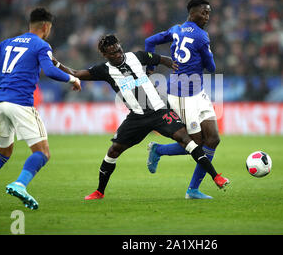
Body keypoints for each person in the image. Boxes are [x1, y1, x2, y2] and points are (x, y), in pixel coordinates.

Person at [52, 34, 230, 200]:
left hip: (160, 111)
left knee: (187, 140)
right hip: (136, 118)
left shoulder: (136, 56)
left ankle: (216, 177)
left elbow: (163, 59)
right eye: (113, 53)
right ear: (105, 54)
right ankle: (99, 191)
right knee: (113, 151)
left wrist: (174, 69)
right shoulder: (103, 70)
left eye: (119, 50)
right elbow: (76, 73)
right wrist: (56, 64)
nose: (118, 54)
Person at [0, 8, 81, 211]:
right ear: (46, 26)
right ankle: (20, 184)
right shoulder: (42, 45)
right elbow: (50, 71)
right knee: (43, 153)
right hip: (21, 104)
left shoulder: (8, 42)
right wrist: (73, 78)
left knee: (2, 153)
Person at [143, 0, 220, 199]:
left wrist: (151, 67)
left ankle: (193, 190)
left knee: (213, 139)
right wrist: (204, 56)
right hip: (182, 93)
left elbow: (149, 42)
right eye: (204, 12)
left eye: (209, 13)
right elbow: (212, 68)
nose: (207, 16)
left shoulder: (176, 29)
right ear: (192, 12)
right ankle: (158, 150)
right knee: (194, 144)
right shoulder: (202, 36)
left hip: (197, 92)